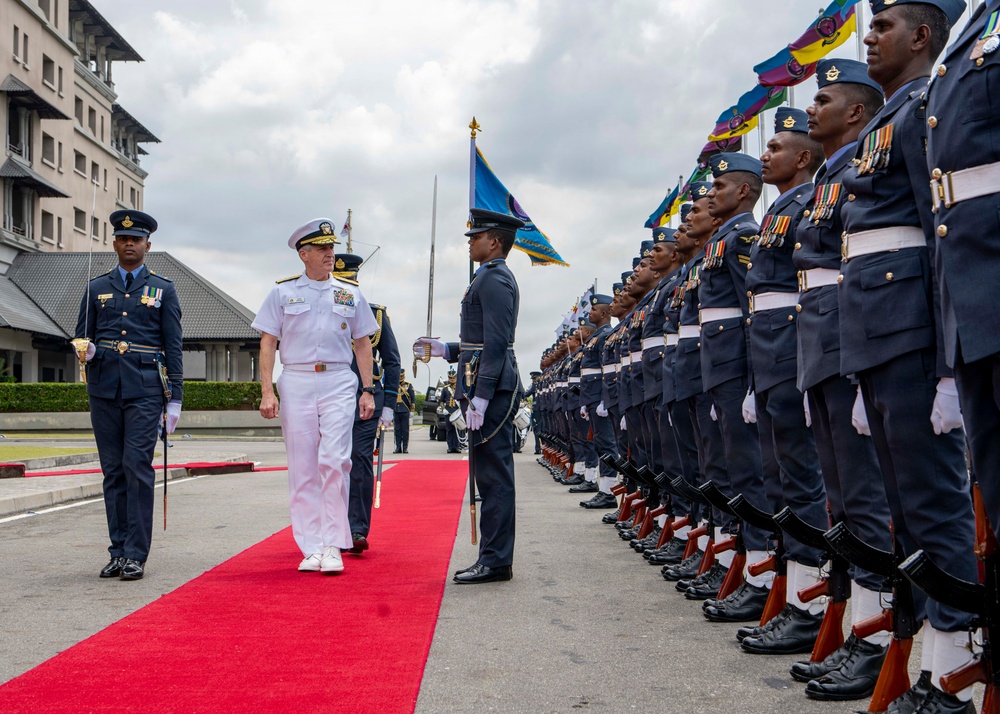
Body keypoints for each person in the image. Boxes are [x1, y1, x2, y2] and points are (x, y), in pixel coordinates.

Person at [837, 2, 977, 710]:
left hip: (916, 334)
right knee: (903, 508)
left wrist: (950, 366)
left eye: (884, 25)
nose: (871, 35)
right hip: (878, 336)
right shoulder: (889, 121)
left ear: (921, 36)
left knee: (934, 501)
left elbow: (941, 233)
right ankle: (924, 655)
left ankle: (954, 666)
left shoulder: (924, 111)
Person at [252, 218, 379, 575]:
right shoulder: (282, 293)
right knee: (303, 466)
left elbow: (363, 342)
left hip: (339, 379)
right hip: (296, 379)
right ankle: (310, 546)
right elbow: (268, 342)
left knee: (335, 460)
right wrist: (267, 390)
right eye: (322, 248)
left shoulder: (349, 293)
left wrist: (367, 389)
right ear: (303, 254)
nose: (330, 253)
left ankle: (332, 544)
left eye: (331, 247)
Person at [414, 208, 524, 584]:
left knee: (494, 478)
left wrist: (482, 396)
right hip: (482, 382)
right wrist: (447, 349)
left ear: (494, 241)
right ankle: (493, 556)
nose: (470, 242)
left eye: (475, 237)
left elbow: (496, 344)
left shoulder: (494, 280)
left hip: (489, 388)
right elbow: (480, 343)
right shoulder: (487, 277)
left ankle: (495, 560)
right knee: (489, 476)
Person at [76, 209, 183, 582]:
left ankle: (137, 553)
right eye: (123, 239)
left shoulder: (163, 289)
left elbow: (174, 347)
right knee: (112, 471)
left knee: (136, 467)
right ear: (114, 243)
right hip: (104, 387)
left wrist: (176, 399)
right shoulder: (95, 287)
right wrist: (85, 351)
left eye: (135, 239)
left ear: (147, 245)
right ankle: (118, 551)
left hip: (145, 389)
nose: (129, 244)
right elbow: (81, 337)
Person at [333, 252, 400, 555]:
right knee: (331, 462)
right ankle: (332, 527)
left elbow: (392, 361)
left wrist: (389, 404)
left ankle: (357, 528)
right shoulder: (322, 313)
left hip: (366, 398)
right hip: (330, 397)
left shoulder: (376, 315)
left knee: (360, 459)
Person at [440, 369, 463, 453]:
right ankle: (450, 447)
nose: (452, 379)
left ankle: (456, 447)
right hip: (448, 411)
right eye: (450, 378)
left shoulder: (459, 388)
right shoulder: (445, 389)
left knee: (457, 430)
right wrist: (443, 409)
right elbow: (441, 401)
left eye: (453, 378)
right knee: (449, 430)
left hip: (457, 411)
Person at [394, 369, 415, 453]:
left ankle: (405, 447)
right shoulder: (394, 385)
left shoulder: (408, 386)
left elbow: (413, 398)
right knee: (397, 430)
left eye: (401, 376)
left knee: (405, 430)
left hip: (405, 410)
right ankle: (398, 447)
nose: (400, 377)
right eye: (399, 376)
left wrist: (412, 410)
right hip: (396, 410)